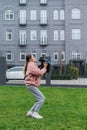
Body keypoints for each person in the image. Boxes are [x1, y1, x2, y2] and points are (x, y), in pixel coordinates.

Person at [23, 54, 47, 119]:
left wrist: (42, 67)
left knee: (38, 100)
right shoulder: (31, 64)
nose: (34, 57)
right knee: (42, 98)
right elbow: (39, 73)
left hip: (31, 84)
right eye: (33, 57)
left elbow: (37, 72)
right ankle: (35, 113)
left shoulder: (32, 64)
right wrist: (44, 68)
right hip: (31, 84)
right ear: (30, 59)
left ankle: (30, 112)